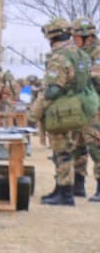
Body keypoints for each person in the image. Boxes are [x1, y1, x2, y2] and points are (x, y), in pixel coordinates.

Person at [32, 18, 94, 205]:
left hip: (62, 110)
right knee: (69, 149)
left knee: (62, 152)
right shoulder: (81, 54)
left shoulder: (59, 57)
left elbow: (53, 89)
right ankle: (60, 189)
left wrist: (36, 111)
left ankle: (65, 193)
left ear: (52, 36)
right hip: (79, 108)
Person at [70, 18, 100, 200]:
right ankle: (78, 185)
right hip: (79, 106)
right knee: (77, 146)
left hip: (95, 107)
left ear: (87, 37)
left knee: (96, 146)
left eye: (76, 36)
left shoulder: (97, 53)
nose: (73, 39)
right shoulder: (79, 53)